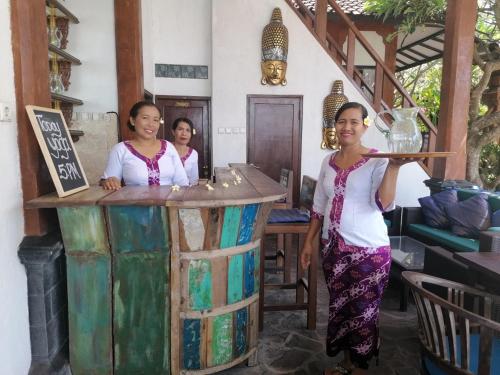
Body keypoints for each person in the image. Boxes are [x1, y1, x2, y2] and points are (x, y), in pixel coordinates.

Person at [300, 102, 418, 375]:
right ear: (335, 126)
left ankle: (360, 368)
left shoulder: (379, 159)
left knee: (363, 313)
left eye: (354, 122)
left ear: (364, 126)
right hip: (333, 249)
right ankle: (346, 363)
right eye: (342, 121)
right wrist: (308, 242)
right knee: (340, 309)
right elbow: (318, 204)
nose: (347, 127)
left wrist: (395, 168)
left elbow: (384, 203)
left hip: (369, 251)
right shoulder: (327, 160)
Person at [101, 101, 189, 189]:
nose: (151, 124)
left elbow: (182, 182)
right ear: (132, 120)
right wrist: (109, 181)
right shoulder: (120, 149)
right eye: (145, 118)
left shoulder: (169, 147)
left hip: (168, 202)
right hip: (134, 202)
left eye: (155, 120)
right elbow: (108, 180)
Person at [171, 117, 199, 185]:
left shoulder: (193, 153)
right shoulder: (165, 150)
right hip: (166, 192)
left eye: (188, 130)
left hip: (186, 192)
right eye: (180, 129)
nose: (184, 133)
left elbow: (194, 179)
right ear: (173, 132)